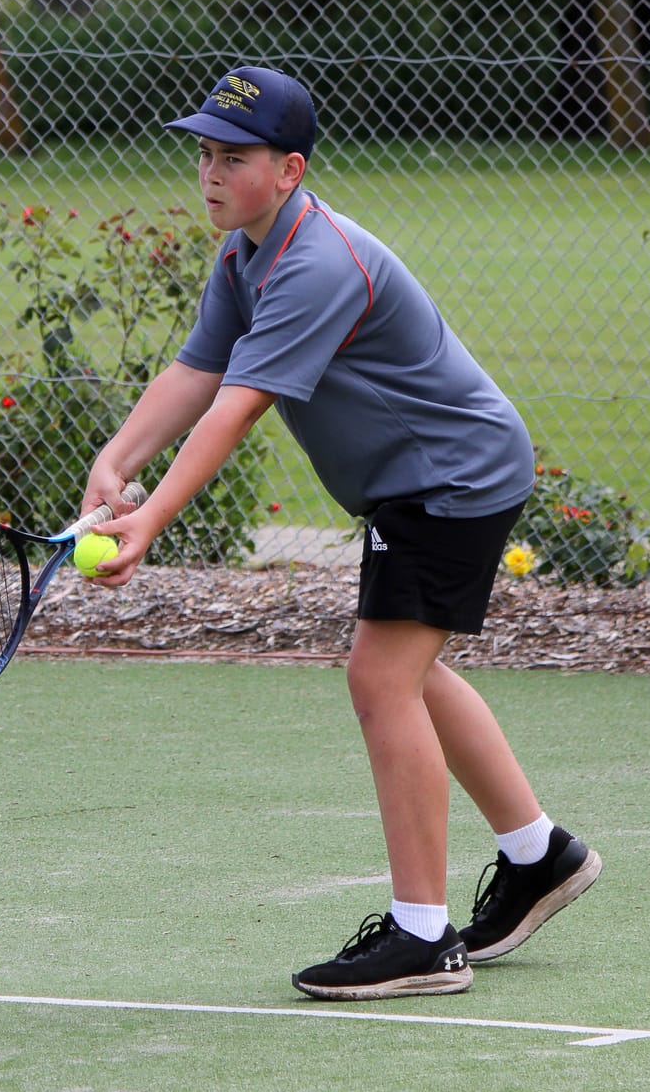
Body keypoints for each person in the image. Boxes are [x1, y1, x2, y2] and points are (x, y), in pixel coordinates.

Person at [81, 65, 602, 1001]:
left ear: (290, 169)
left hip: (450, 479)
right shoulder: (247, 254)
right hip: (429, 480)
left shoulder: (316, 263)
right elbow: (199, 369)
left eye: (232, 158)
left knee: (380, 676)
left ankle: (422, 936)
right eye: (202, 153)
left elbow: (239, 406)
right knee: (413, 671)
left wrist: (150, 518)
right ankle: (539, 854)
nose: (208, 173)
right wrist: (117, 460)